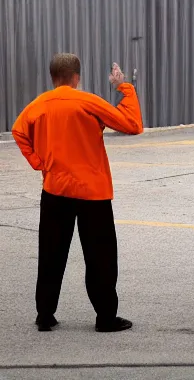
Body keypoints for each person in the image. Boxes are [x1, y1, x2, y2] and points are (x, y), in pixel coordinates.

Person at [12, 54, 143, 332]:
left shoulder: (38, 105)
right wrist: (125, 88)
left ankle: (45, 315)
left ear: (53, 77)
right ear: (76, 77)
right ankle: (105, 317)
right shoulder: (89, 102)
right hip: (92, 192)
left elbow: (18, 132)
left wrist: (39, 163)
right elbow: (132, 125)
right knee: (100, 257)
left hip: (55, 189)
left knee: (51, 253)